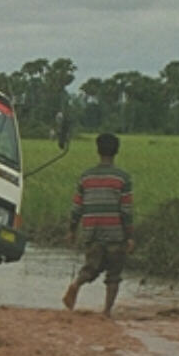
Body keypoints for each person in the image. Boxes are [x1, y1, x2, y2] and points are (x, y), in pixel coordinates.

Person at [63, 132, 135, 318]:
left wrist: (72, 230)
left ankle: (76, 284)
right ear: (116, 151)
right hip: (115, 233)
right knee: (114, 273)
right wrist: (129, 236)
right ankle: (106, 312)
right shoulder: (122, 178)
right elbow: (126, 210)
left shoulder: (86, 177)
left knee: (91, 266)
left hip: (91, 230)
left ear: (98, 150)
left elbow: (77, 207)